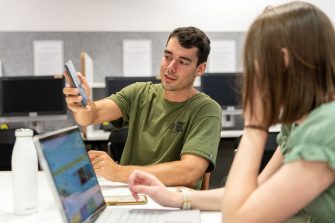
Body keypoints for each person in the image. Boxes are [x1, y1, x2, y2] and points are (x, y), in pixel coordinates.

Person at [128, 2, 335, 222]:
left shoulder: (326, 127)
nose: (254, 70)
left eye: (257, 59)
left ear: (283, 60)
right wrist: (177, 198)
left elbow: (237, 218)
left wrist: (255, 126)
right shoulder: (299, 124)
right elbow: (253, 191)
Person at [63, 26, 222, 189]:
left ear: (200, 68)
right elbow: (91, 116)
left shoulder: (207, 110)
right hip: (131, 197)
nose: (170, 67)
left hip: (173, 205)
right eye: (168, 57)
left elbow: (189, 173)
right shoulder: (139, 93)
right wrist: (82, 104)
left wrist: (118, 172)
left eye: (182, 62)